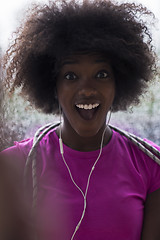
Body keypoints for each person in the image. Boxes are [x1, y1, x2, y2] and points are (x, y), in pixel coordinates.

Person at [1, 0, 160, 239]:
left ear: (119, 84)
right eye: (71, 75)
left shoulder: (151, 164)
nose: (87, 90)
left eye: (101, 74)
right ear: (53, 86)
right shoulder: (14, 166)